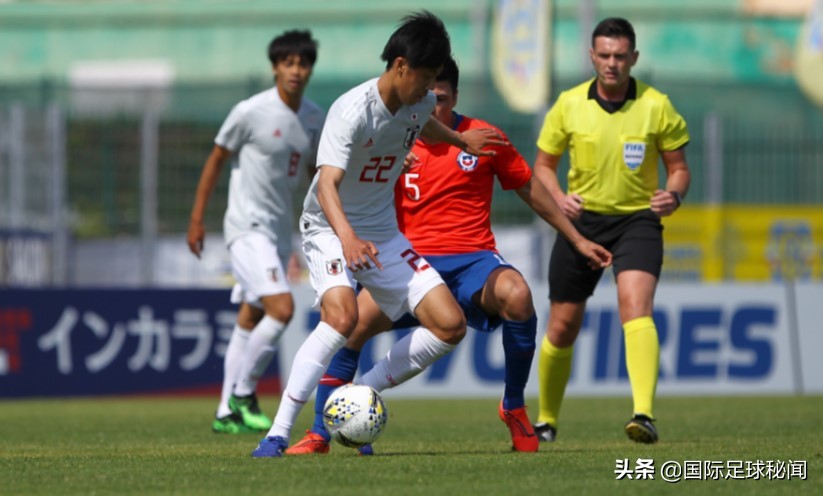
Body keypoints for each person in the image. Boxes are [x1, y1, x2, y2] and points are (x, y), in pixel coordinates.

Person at [285, 57, 612, 455]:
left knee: (518, 294)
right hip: (410, 262)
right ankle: (320, 432)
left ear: (454, 96)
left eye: (439, 98)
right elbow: (341, 182)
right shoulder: (392, 139)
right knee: (352, 326)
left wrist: (576, 239)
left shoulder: (482, 136)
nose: (430, 105)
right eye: (424, 95)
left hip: (473, 262)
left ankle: (514, 406)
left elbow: (529, 187)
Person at [251, 11, 509, 458]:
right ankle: (276, 432)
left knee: (450, 326)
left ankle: (351, 399)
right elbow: (327, 183)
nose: (430, 90)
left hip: (382, 233)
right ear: (400, 65)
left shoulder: (420, 101)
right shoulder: (350, 111)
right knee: (342, 318)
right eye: (425, 77)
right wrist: (347, 237)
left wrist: (458, 140)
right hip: (330, 227)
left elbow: (422, 121)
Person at [531, 17, 691, 444]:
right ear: (592, 56)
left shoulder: (657, 105)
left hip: (638, 220)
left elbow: (678, 170)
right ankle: (545, 421)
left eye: (620, 56)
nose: (612, 64)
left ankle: (644, 414)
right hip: (580, 224)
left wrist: (672, 197)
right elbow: (542, 167)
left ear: (634, 58)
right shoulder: (568, 104)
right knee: (562, 326)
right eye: (604, 55)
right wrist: (559, 199)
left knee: (635, 305)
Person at [186, 30, 325, 434]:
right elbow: (216, 159)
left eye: (303, 63)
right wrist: (196, 219)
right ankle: (243, 395)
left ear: (310, 68)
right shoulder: (249, 111)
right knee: (281, 309)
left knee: (251, 316)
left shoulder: (314, 117)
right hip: (246, 228)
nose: (296, 70)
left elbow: (316, 176)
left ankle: (224, 413)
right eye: (288, 63)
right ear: (275, 67)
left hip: (280, 233)